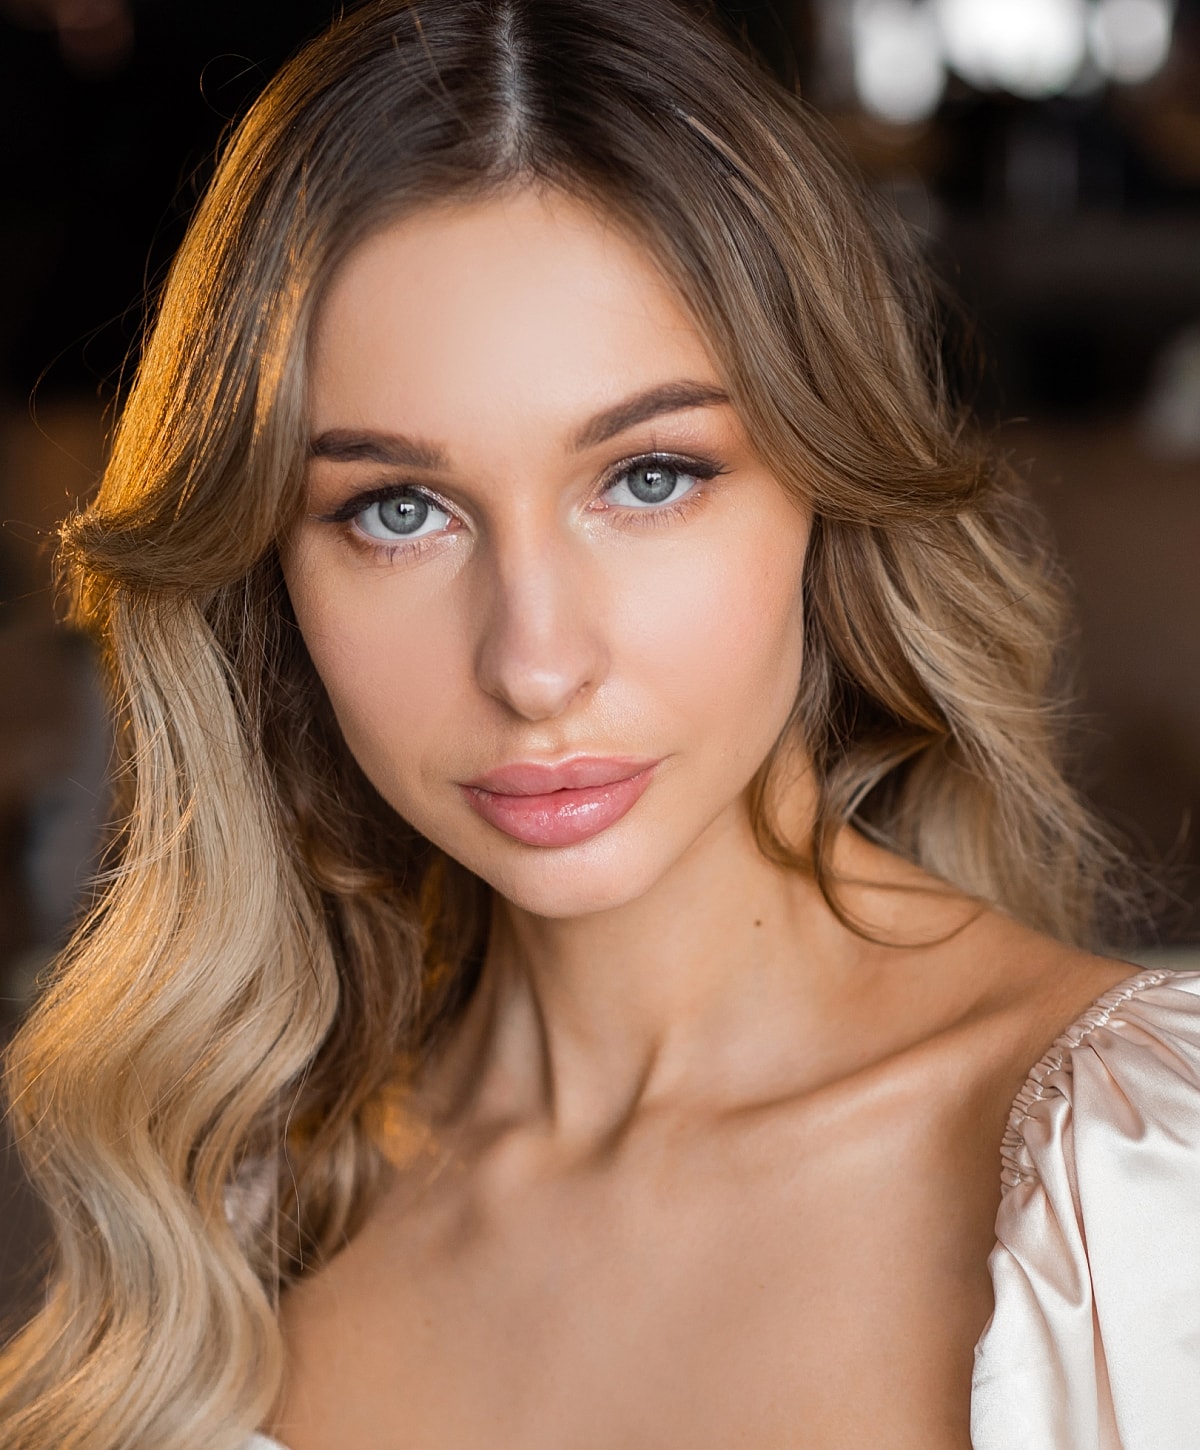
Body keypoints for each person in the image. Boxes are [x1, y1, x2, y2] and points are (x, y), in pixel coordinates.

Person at [2, 1, 1198, 1446]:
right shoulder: (229, 1234)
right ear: (273, 584)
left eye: (647, 477)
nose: (534, 660)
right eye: (399, 509)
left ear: (826, 495)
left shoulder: (1135, 1187)